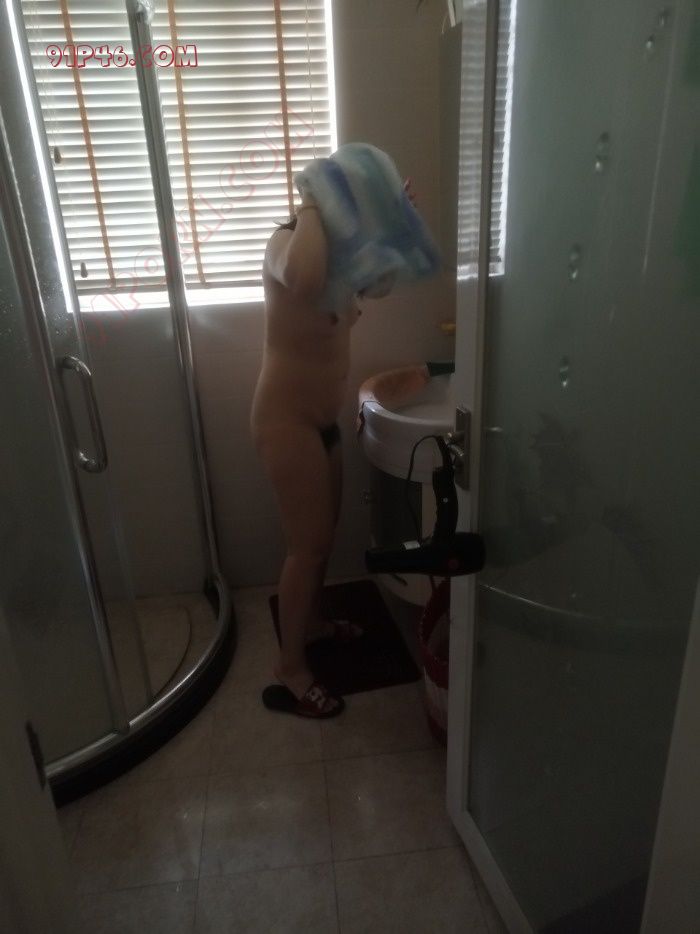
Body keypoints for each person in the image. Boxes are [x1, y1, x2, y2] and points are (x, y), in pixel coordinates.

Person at [250, 180, 414, 719]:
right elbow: (301, 276)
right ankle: (290, 667)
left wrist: (393, 217)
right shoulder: (284, 243)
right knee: (307, 546)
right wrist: (311, 202)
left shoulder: (341, 262)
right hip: (286, 422)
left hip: (323, 423)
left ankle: (315, 624)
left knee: (323, 537)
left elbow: (384, 281)